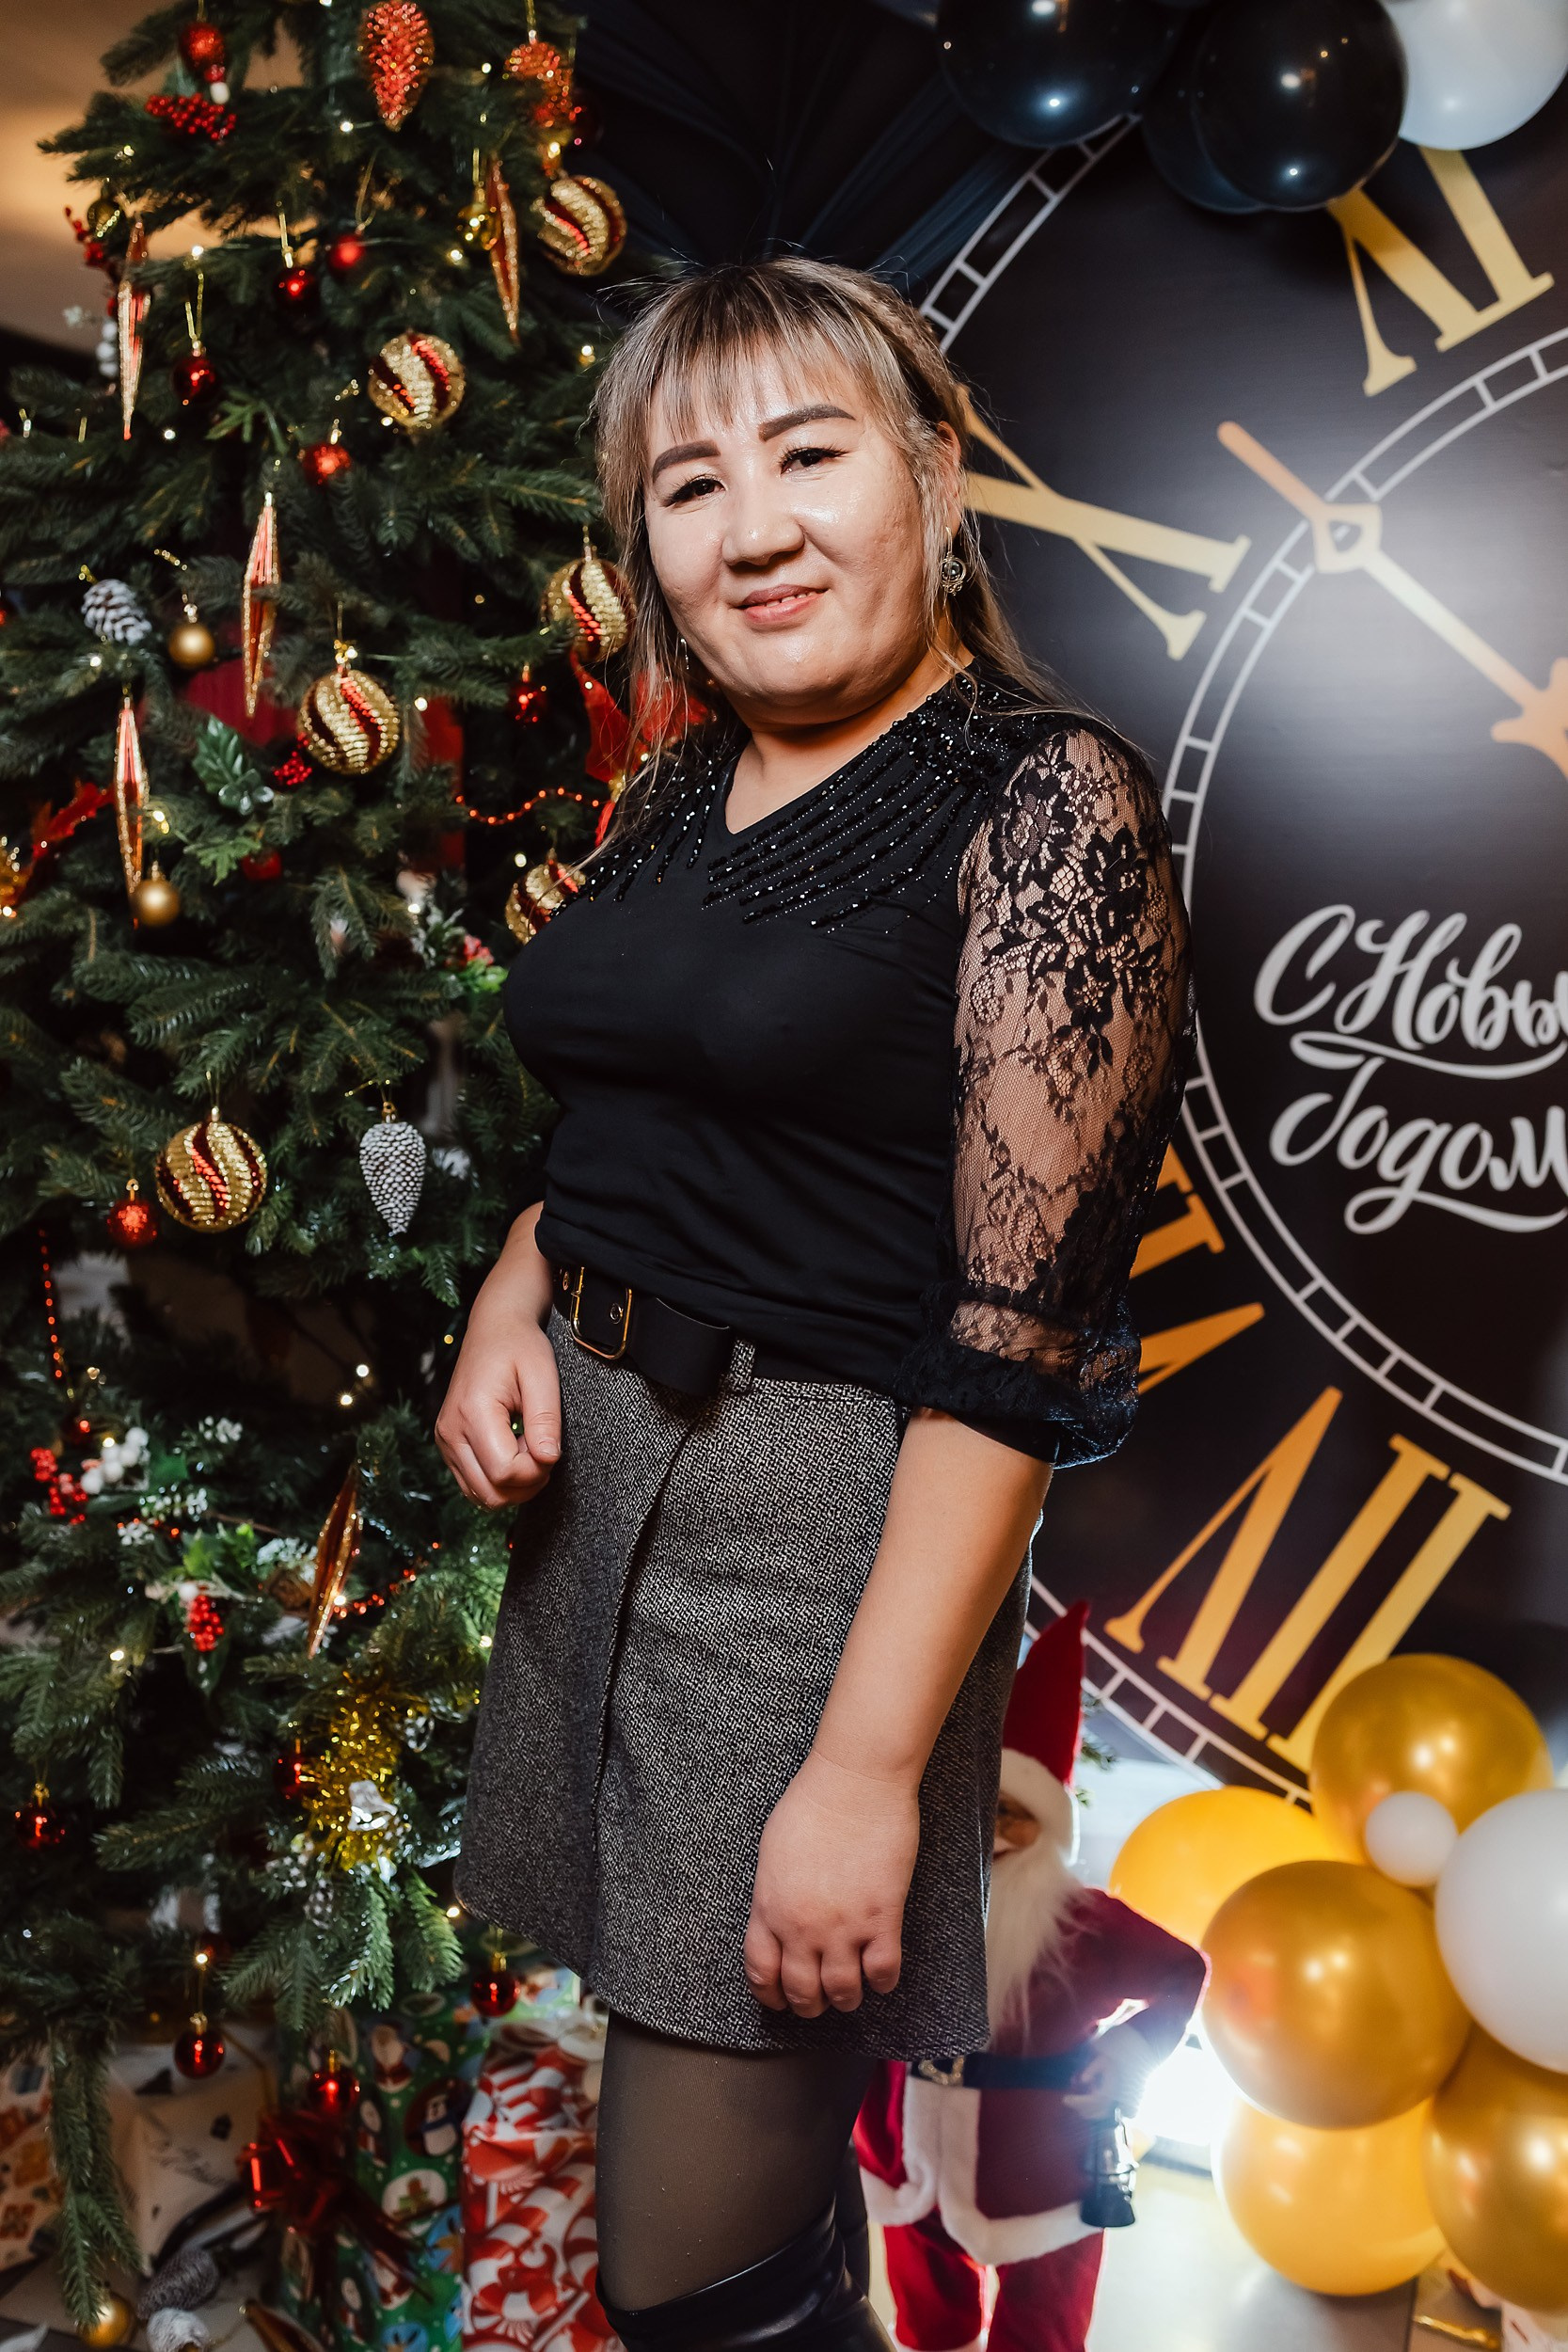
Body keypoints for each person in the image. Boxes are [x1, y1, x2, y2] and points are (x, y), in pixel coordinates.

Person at [436, 255, 1192, 2352]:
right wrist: (512, 1292)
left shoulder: (1045, 803)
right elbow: (636, 1114)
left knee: (688, 2285)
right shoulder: (684, 786)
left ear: (930, 478)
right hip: (600, 1517)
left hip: (812, 1559)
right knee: (726, 2221)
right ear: (648, 544)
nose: (752, 529)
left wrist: (864, 1772)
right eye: (690, 486)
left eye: (806, 454)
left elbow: (1011, 1347)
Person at [856, 1604, 1208, 2352]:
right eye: (974, 1808)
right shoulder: (899, 1887)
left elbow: (1182, 1971)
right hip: (907, 2156)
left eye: (1009, 1813)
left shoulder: (1085, 1924)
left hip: (1043, 2174)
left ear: (1045, 1822)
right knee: (929, 2322)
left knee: (1041, 2328)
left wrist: (1127, 2052)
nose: (986, 1830)